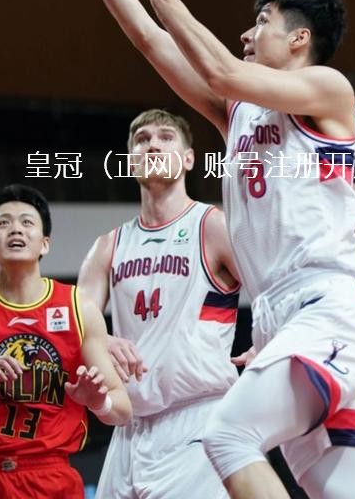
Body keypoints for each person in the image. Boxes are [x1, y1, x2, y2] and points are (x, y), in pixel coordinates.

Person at [48, 0, 355, 499]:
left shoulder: (329, 89)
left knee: (227, 437)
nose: (247, 32)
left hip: (324, 308)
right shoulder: (240, 116)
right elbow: (152, 43)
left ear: (300, 38)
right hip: (278, 321)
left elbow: (223, 70)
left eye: (262, 21)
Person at [77, 108, 240, 499]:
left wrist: (269, 340)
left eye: (166, 137)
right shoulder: (108, 245)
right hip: (129, 426)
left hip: (199, 415)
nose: (152, 145)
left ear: (189, 158)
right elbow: (76, 321)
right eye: (142, 139)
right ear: (130, 161)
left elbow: (273, 288)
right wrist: (102, 339)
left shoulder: (212, 225)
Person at [0, 184, 132, 499]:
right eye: (3, 223)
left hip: (51, 477)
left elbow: (122, 409)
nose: (15, 229)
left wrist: (98, 402)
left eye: (26, 222)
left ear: (45, 243)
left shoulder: (78, 307)